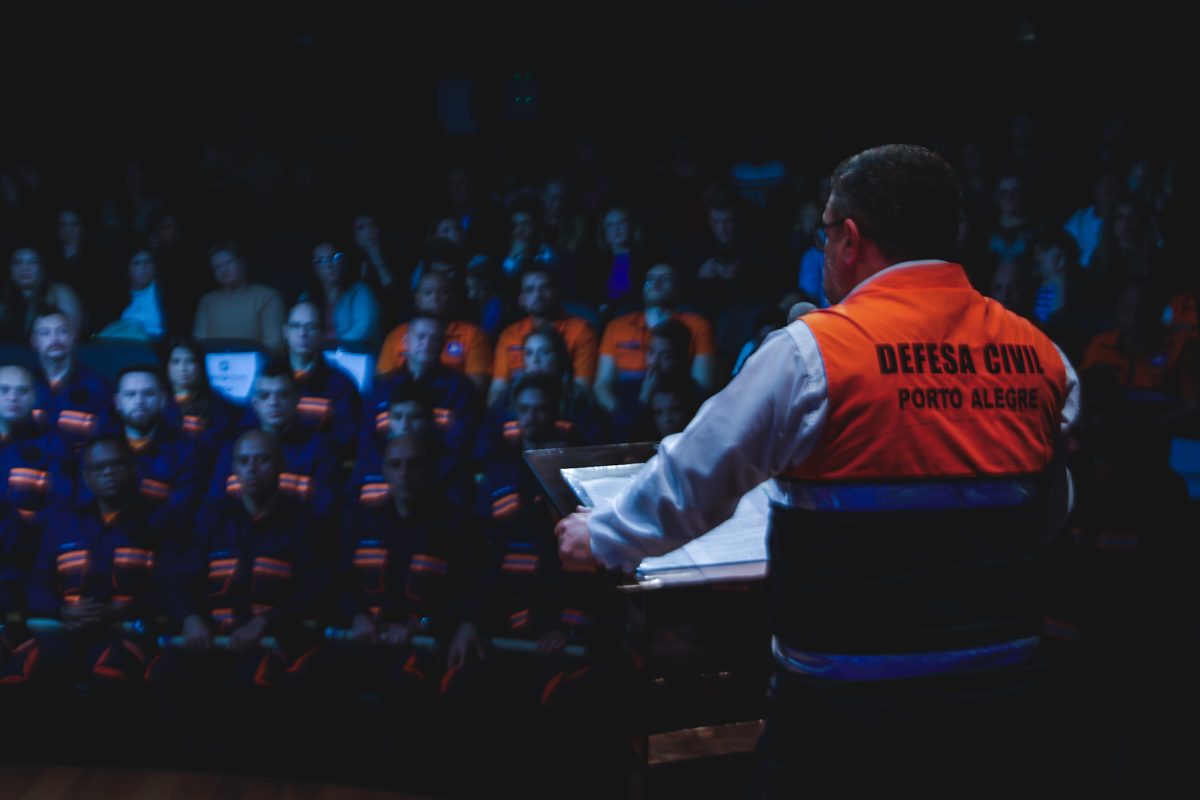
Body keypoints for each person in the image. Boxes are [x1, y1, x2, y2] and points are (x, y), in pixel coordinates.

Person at [556, 144, 1081, 793]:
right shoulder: (1043, 356)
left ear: (849, 239)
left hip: (848, 721)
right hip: (1003, 713)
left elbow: (692, 479)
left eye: (825, 232)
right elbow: (1048, 519)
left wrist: (602, 536)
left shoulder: (813, 354)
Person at [191, 242, 286, 352]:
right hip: (213, 360)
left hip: (256, 361)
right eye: (217, 267)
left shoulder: (267, 296)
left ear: (242, 263)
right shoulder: (208, 301)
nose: (224, 270)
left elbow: (274, 342)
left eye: (228, 263)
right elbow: (198, 342)